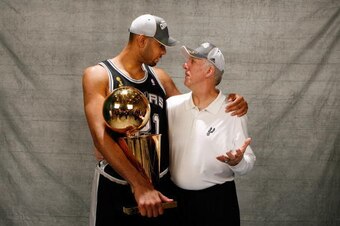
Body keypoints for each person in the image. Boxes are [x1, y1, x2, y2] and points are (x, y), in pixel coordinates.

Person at [82, 14, 248, 226]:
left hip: (159, 188)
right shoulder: (99, 75)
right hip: (117, 184)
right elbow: (101, 138)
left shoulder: (160, 78)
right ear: (142, 40)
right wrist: (139, 184)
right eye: (160, 45)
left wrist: (229, 100)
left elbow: (196, 108)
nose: (164, 52)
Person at [167, 42, 256, 226]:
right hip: (176, 202)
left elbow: (247, 163)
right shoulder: (172, 106)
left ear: (209, 71)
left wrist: (237, 162)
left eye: (192, 61)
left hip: (217, 204)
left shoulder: (232, 111)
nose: (185, 65)